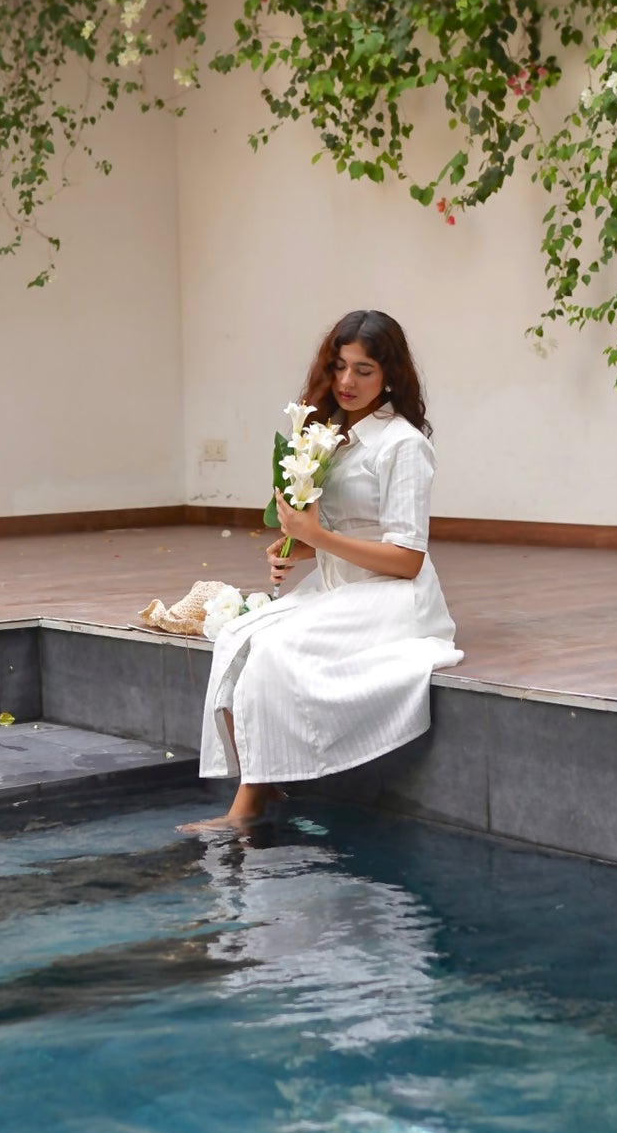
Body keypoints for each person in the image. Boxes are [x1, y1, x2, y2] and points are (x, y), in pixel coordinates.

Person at [180, 309, 463, 833]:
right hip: (337, 587)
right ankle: (267, 778)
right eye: (339, 366)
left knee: (272, 652)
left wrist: (318, 538)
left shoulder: (403, 445)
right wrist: (298, 550)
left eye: (364, 370)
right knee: (235, 638)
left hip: (391, 598)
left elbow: (406, 559)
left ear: (391, 376)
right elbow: (344, 531)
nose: (347, 382)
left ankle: (246, 810)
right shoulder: (327, 436)